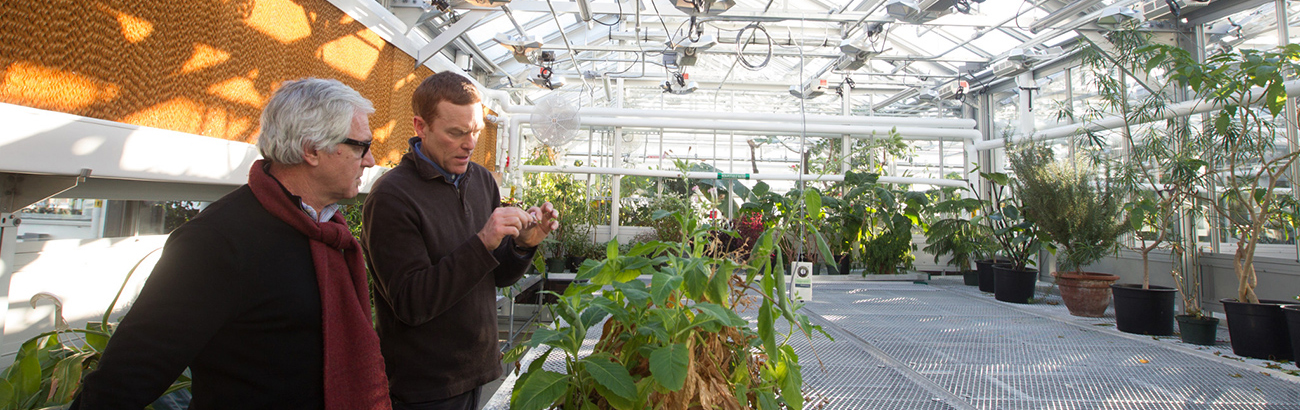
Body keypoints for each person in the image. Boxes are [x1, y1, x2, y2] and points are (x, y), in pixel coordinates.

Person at [71, 78, 392, 410]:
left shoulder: (328, 232)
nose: (368, 161)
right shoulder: (218, 241)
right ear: (312, 150)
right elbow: (128, 375)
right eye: (360, 146)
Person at [361, 71, 558, 410]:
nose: (470, 144)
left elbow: (495, 276)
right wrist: (482, 241)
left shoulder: (480, 180)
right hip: (424, 386)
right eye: (456, 133)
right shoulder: (392, 197)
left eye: (476, 131)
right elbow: (411, 302)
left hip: (476, 370)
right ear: (421, 127)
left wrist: (524, 244)